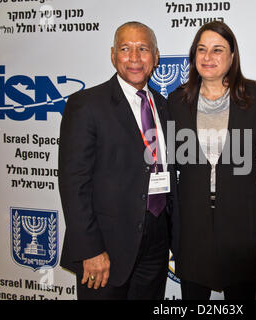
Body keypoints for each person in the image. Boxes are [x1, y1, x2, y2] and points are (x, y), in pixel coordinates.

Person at [58, 21, 179, 300]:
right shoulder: (86, 105)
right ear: (113, 55)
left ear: (156, 57)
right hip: (106, 247)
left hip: (156, 241)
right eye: (125, 49)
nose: (134, 58)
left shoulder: (164, 106)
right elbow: (73, 183)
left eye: (143, 49)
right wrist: (90, 249)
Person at [167, 21, 256, 300]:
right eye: (201, 49)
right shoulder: (176, 101)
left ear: (233, 56)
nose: (208, 57)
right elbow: (168, 165)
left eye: (217, 50)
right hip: (192, 224)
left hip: (243, 224)